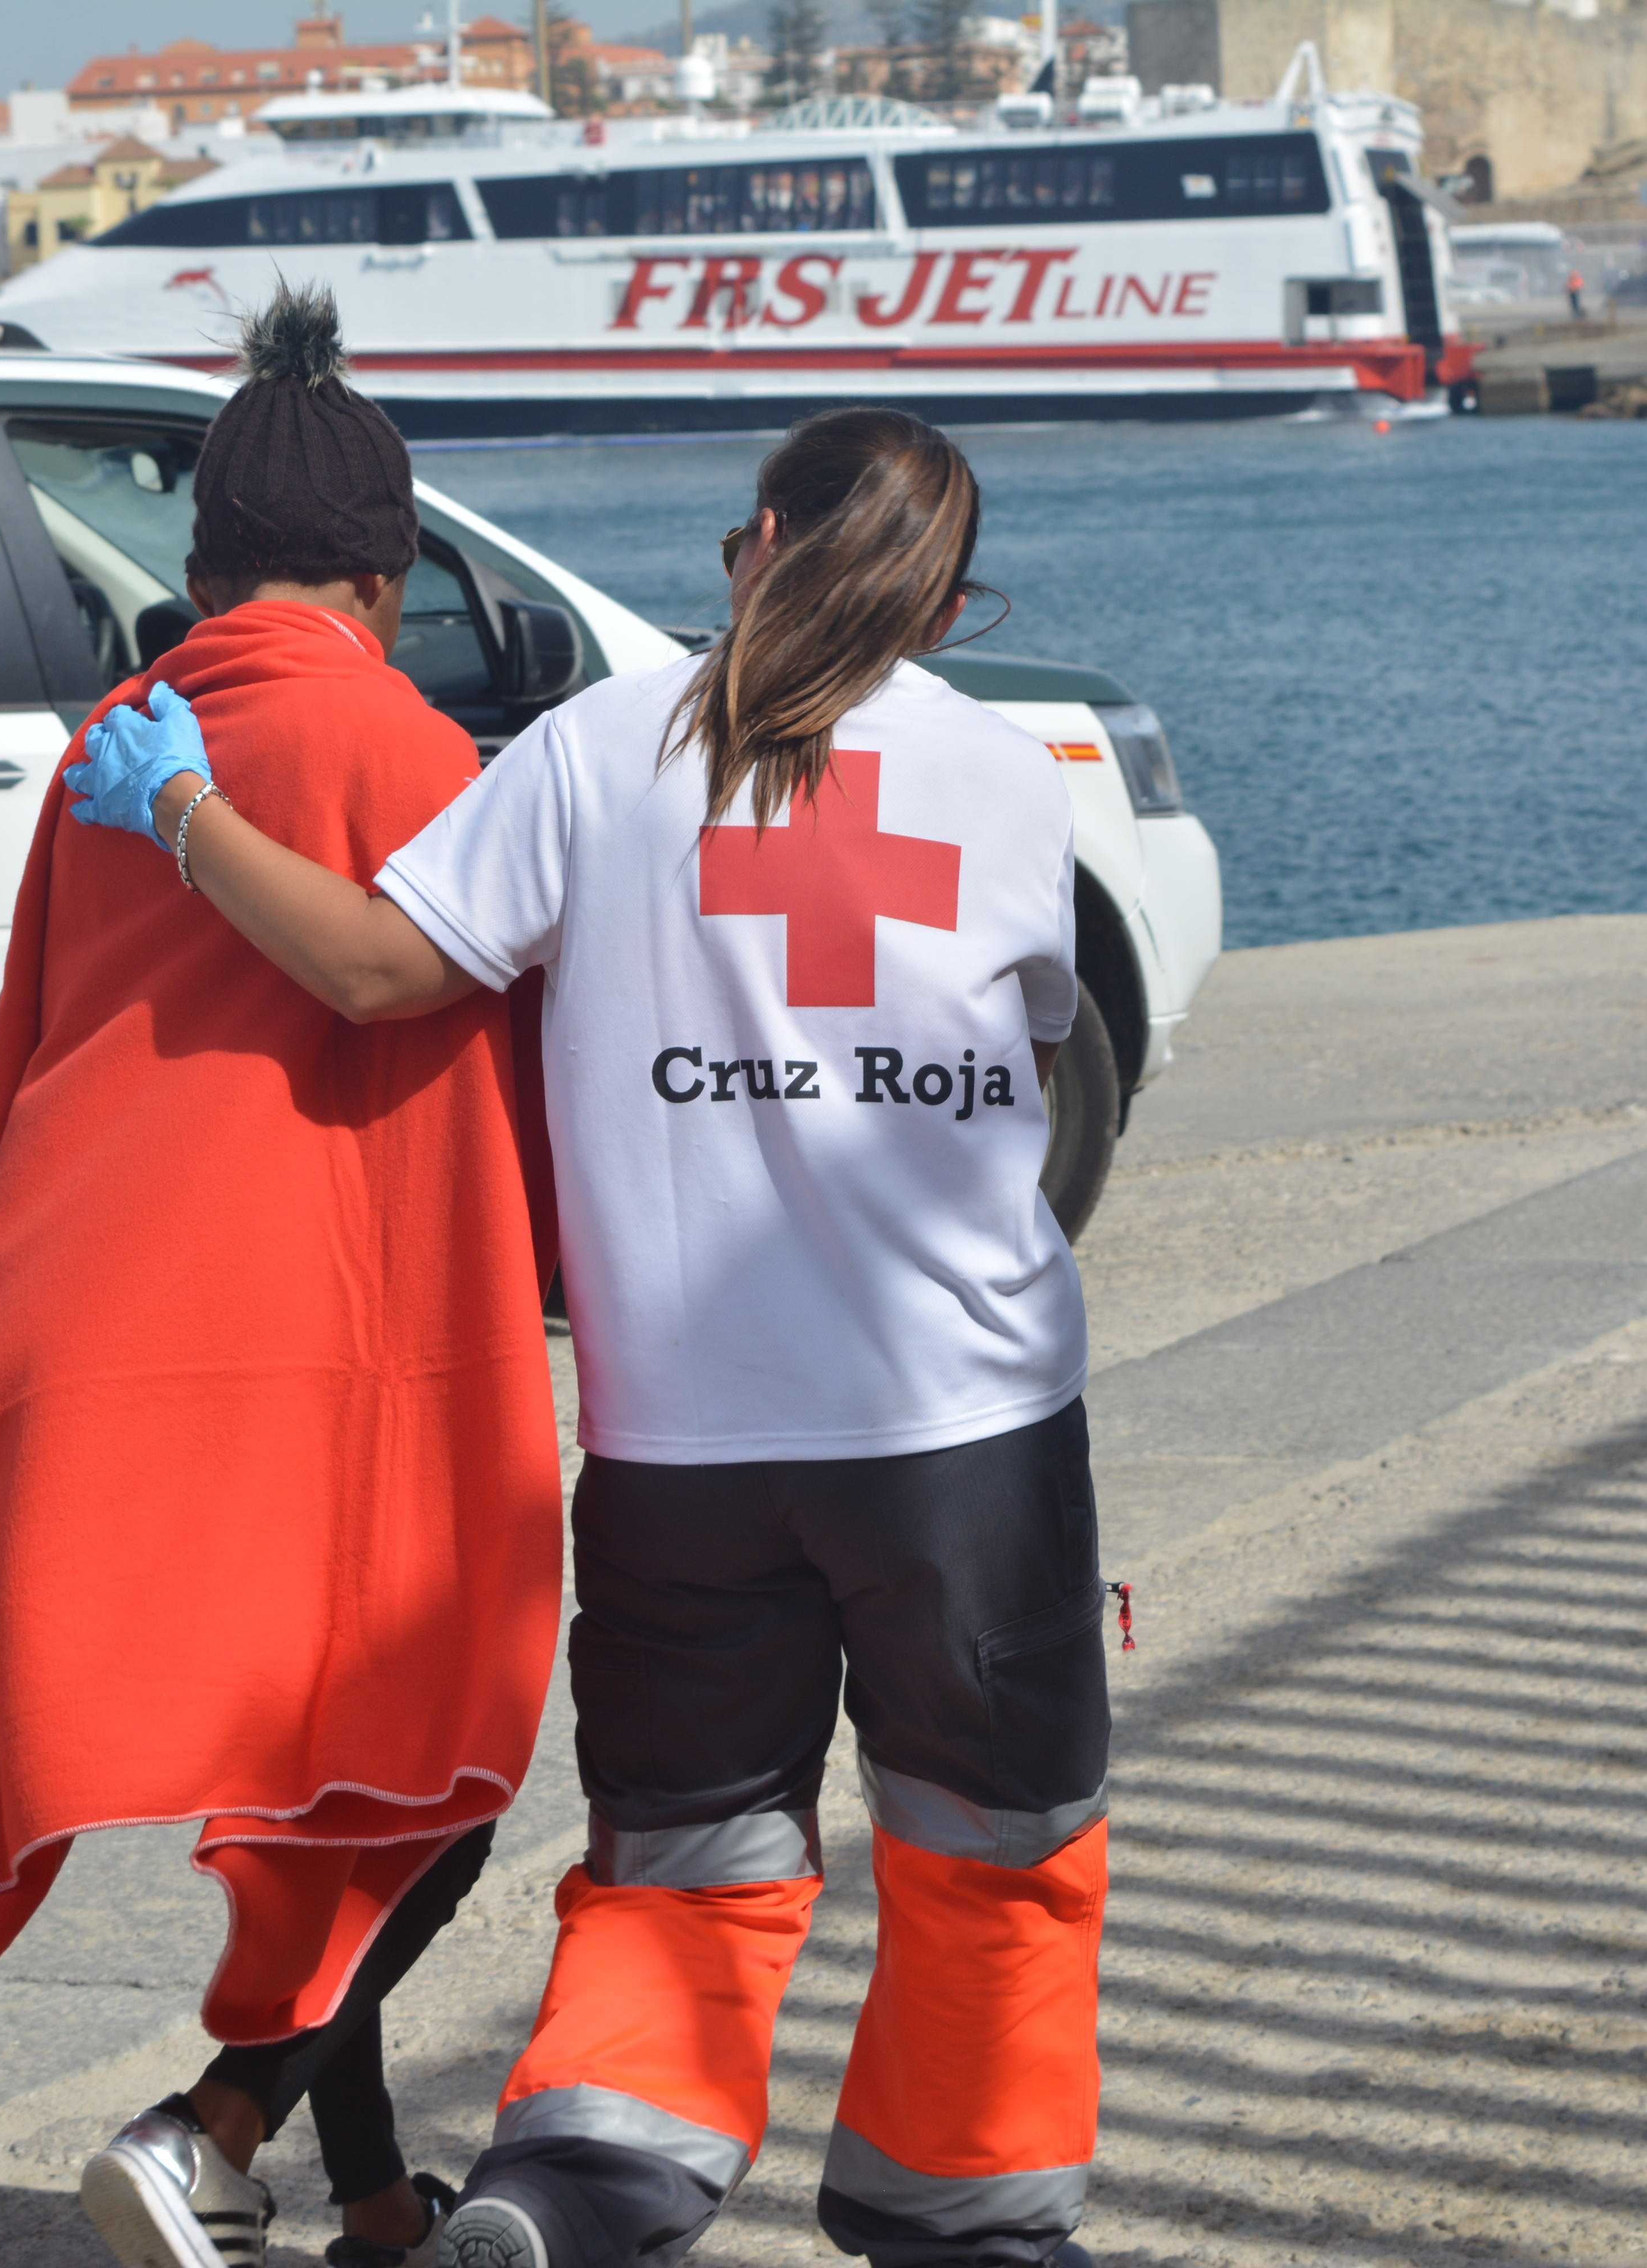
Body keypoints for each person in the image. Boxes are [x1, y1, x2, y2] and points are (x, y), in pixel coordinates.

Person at [71, 405, 1111, 2268]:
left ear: (756, 542)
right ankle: (970, 2229)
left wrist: (181, 808)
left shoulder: (596, 746)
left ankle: (577, 2195)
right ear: (944, 607)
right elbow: (1030, 1058)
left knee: (683, 1872)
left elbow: (379, 970)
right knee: (991, 1857)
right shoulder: (1014, 775)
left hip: (685, 1450)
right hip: (966, 1440)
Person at [0, 285, 564, 2268]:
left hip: (95, 1320)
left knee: (318, 1786)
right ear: (392, 564)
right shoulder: (417, 745)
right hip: (326, 1346)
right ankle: (208, 2127)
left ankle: (352, 2202)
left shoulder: (117, 738)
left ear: (200, 566)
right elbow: (467, 1038)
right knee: (423, 1773)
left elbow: (27, 1039)